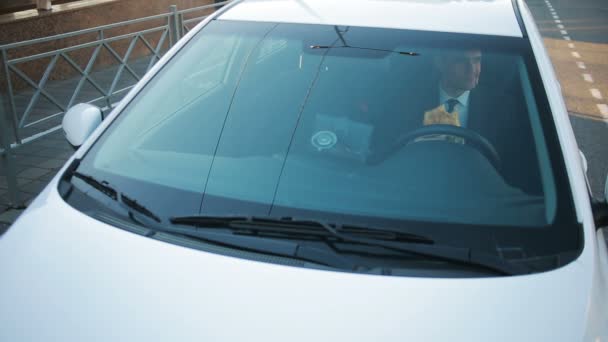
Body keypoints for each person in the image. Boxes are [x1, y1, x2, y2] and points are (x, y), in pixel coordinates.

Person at [372, 48, 542, 194]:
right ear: (440, 64)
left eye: (477, 61)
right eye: (461, 61)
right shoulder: (406, 102)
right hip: (415, 190)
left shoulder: (503, 108)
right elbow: (383, 150)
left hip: (481, 196)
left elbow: (517, 166)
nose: (472, 69)